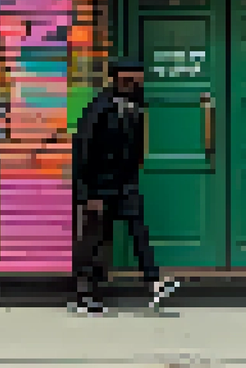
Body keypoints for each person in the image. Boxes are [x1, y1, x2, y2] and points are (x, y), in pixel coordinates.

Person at [70, 58, 179, 313]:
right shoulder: (99, 107)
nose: (134, 84)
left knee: (138, 229)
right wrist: (86, 194)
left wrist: (132, 175)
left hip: (124, 182)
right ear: (117, 79)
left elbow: (134, 146)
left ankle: (153, 282)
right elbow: (83, 150)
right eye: (129, 79)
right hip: (98, 185)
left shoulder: (137, 106)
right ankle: (85, 295)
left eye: (138, 80)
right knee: (95, 239)